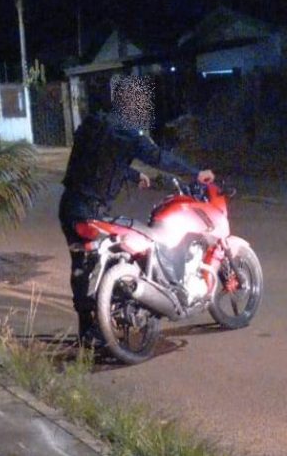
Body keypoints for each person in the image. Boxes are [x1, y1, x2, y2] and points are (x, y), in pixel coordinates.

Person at [59, 76, 214, 343]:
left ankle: (87, 330)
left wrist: (133, 175)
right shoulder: (128, 133)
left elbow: (100, 158)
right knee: (111, 259)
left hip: (69, 206)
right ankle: (110, 321)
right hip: (92, 209)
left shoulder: (94, 123)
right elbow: (158, 157)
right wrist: (195, 173)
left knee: (81, 267)